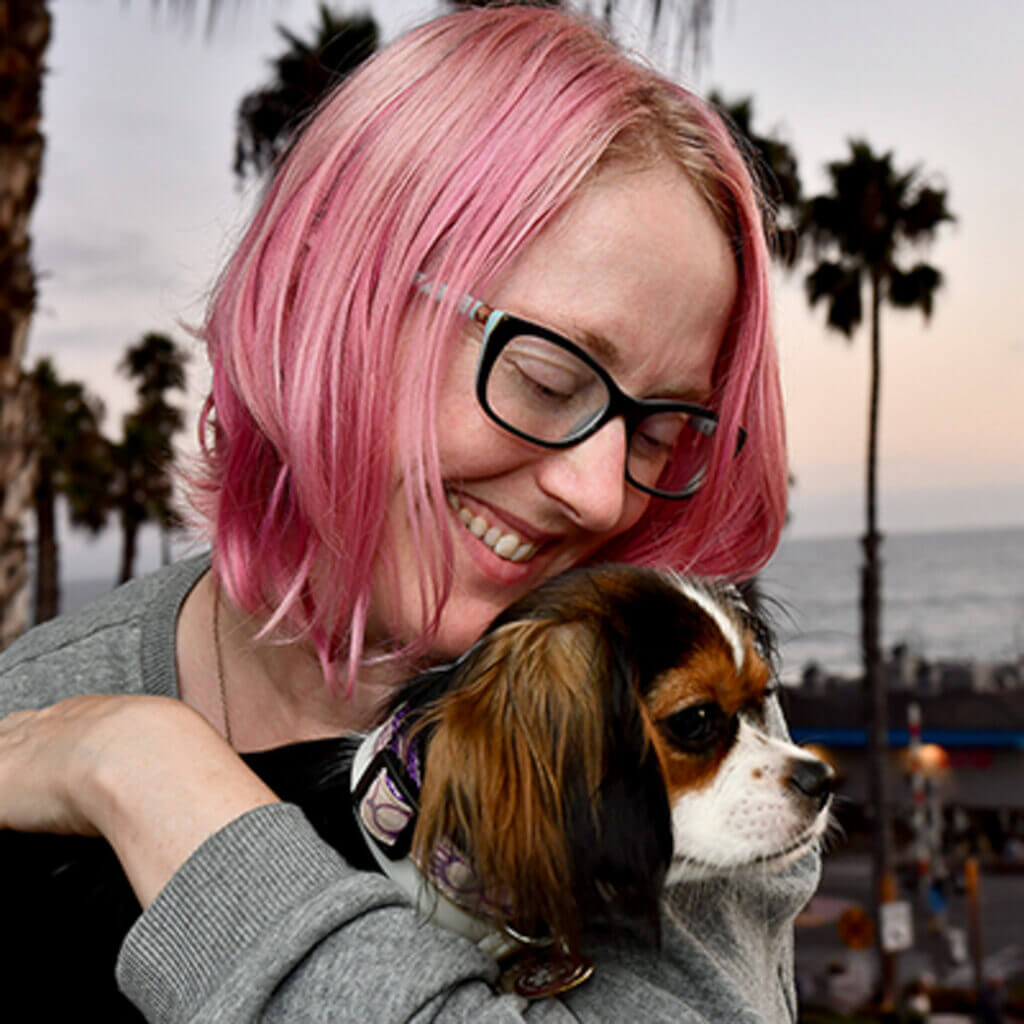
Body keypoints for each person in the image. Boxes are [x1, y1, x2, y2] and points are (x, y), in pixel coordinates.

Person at [0, 6, 811, 1021]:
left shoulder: (664, 713)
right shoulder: (32, 705)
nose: (600, 492)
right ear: (324, 301)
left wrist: (144, 774)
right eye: (546, 377)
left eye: (659, 432)